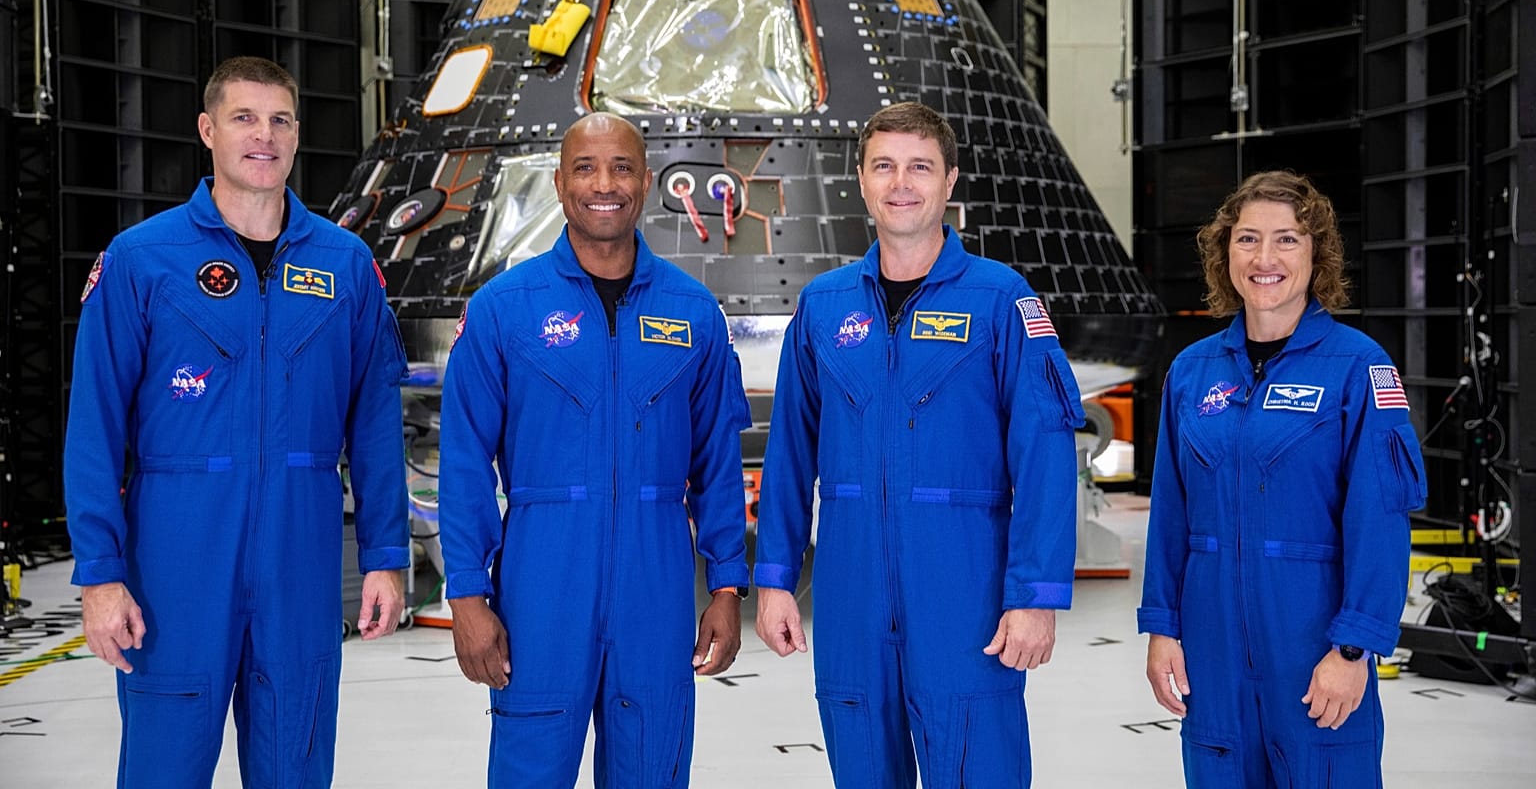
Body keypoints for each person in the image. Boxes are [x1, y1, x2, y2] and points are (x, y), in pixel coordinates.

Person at [64, 56, 410, 786]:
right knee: (163, 768)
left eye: (280, 119)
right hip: (176, 561)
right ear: (207, 131)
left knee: (296, 764)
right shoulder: (141, 260)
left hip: (301, 558)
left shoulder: (346, 266)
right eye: (244, 118)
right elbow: (94, 425)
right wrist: (100, 575)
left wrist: (385, 556)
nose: (265, 135)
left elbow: (376, 426)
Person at [753, 101, 1085, 787]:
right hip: (850, 594)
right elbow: (788, 455)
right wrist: (776, 579)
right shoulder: (823, 305)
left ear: (950, 181)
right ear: (863, 181)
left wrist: (1035, 594)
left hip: (967, 593)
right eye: (885, 166)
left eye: (919, 167)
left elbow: (1046, 455)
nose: (901, 182)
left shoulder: (1001, 301)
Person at [438, 112, 751, 788]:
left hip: (657, 586)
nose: (603, 184)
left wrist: (726, 585)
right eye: (585, 167)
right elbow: (464, 461)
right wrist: (466, 593)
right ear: (560, 182)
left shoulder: (693, 313)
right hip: (541, 586)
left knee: (651, 764)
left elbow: (718, 464)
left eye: (621, 167)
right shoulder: (503, 309)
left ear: (646, 181)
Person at [1138, 171, 1427, 787]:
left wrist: (1353, 649)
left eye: (1287, 240)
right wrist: (1163, 627)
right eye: (1247, 239)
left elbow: (1379, 520)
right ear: (1225, 253)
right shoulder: (1191, 372)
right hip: (1211, 651)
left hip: (1311, 647)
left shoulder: (1358, 366)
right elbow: (1170, 513)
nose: (1264, 259)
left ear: (1316, 253)